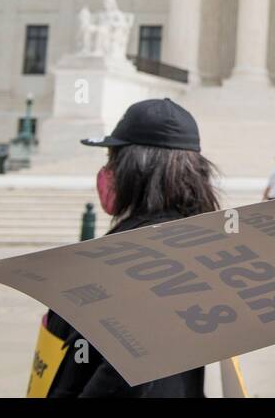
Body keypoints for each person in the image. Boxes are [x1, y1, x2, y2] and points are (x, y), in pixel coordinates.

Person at [41, 97, 220, 397]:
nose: (106, 170)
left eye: (113, 158)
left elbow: (118, 377)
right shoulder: (206, 256)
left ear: (132, 170)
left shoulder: (110, 261)